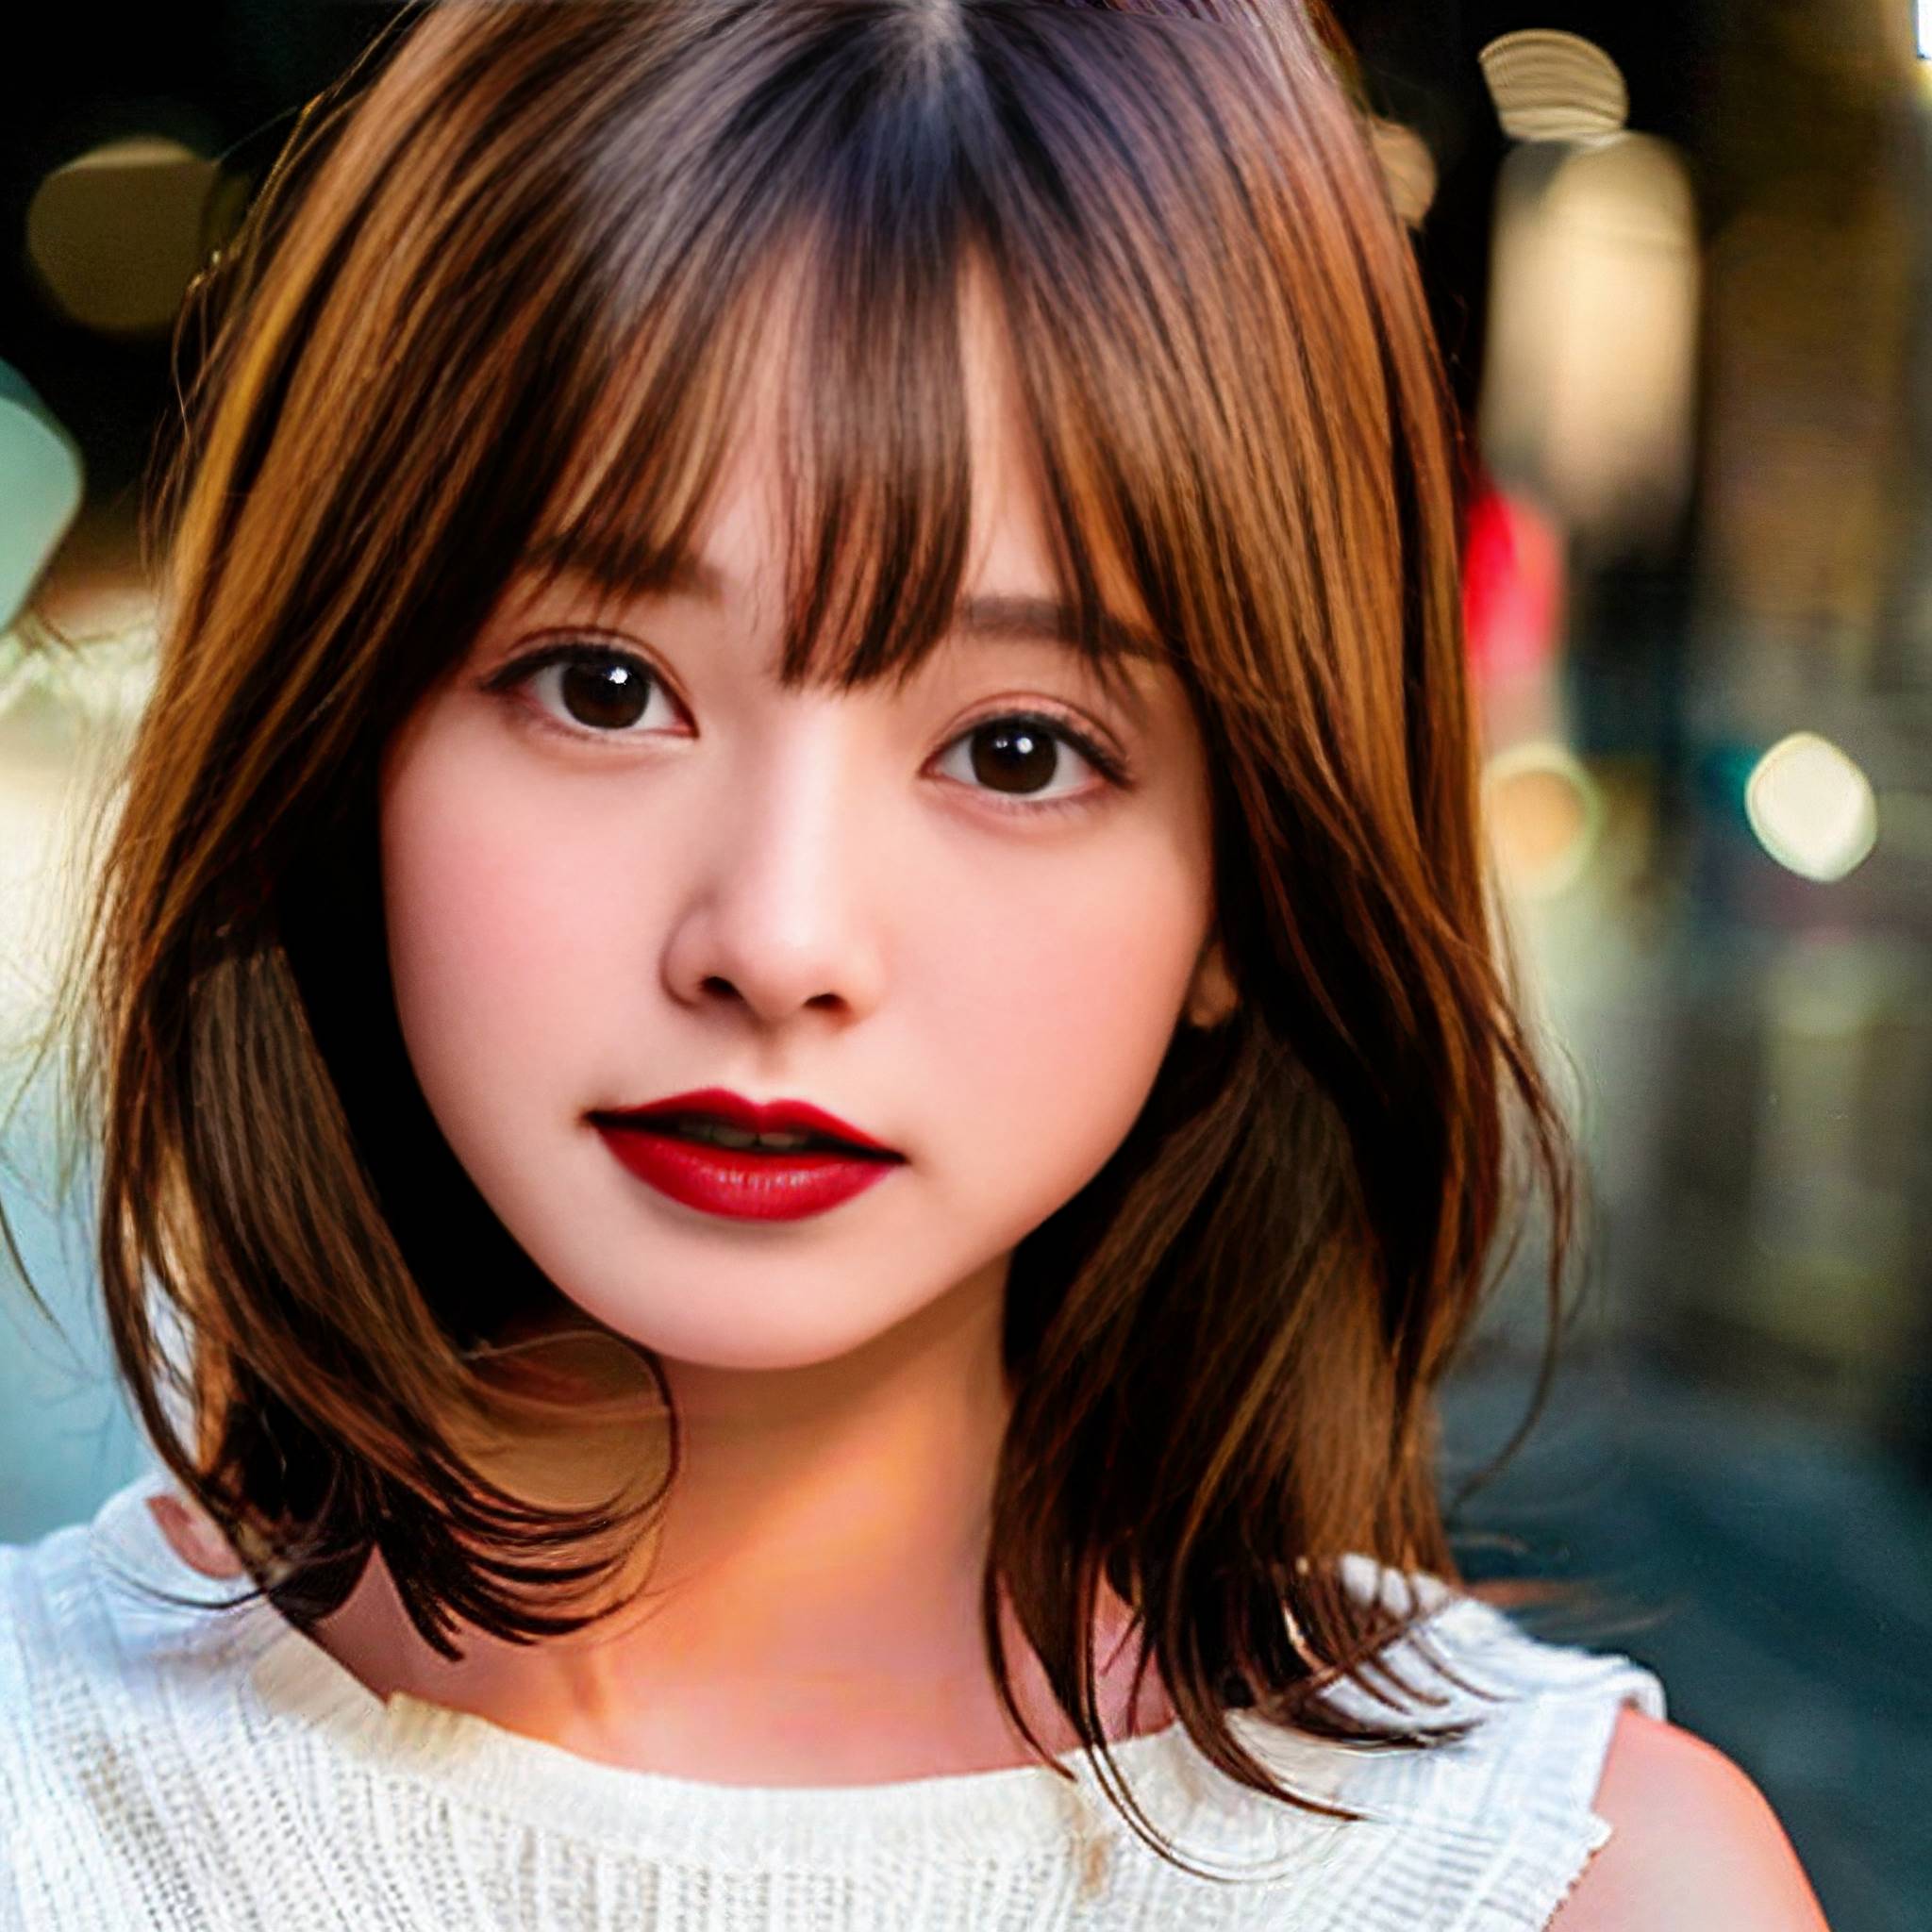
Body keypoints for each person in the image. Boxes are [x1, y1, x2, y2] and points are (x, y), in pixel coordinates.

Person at [0, 2, 1828, 1926]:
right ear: (343, 737)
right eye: (604, 688)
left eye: (1018, 749)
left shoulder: (1574, 1888)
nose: (778, 939)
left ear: (1247, 875)